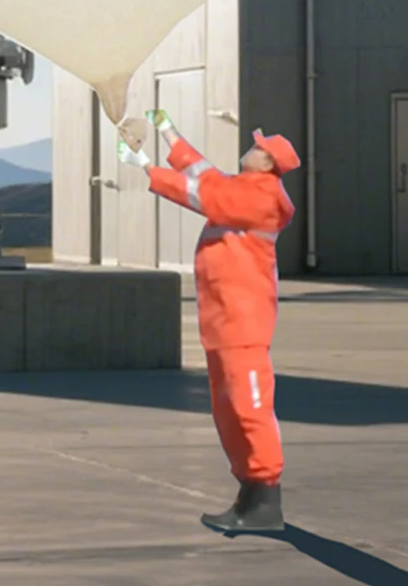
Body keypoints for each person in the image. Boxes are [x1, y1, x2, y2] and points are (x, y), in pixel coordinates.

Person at [117, 108, 301, 535]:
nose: (251, 148)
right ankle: (249, 495)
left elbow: (203, 195)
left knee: (249, 408)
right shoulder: (245, 187)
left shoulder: (261, 197)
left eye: (259, 147)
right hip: (223, 323)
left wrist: (144, 165)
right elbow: (203, 173)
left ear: (269, 163)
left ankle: (265, 499)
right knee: (228, 409)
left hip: (243, 322)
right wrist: (167, 131)